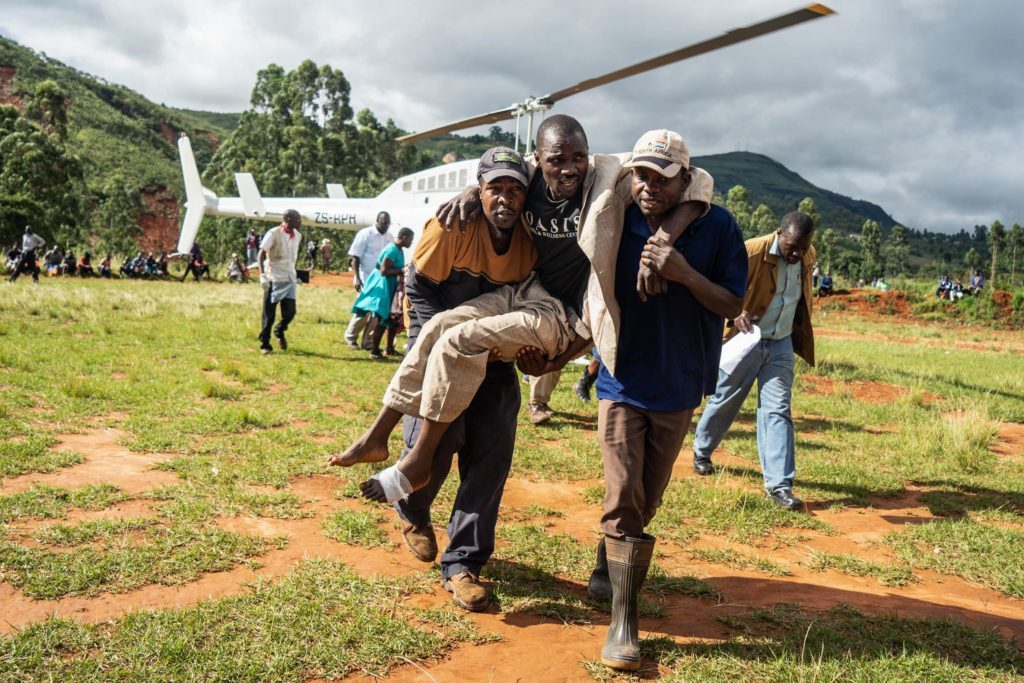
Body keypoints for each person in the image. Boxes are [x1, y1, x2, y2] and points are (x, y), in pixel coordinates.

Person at [334, 120, 712, 504]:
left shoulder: (609, 178)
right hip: (527, 292)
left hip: (564, 316)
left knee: (459, 341)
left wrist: (663, 239)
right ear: (538, 160)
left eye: (578, 157)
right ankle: (377, 436)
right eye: (557, 159)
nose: (569, 168)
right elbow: (495, 184)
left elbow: (697, 177)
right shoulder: (526, 181)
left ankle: (417, 463)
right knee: (438, 326)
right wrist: (470, 192)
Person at [332, 147, 538, 613]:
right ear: (479, 191)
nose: (505, 199)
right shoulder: (452, 225)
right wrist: (439, 347)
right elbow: (420, 286)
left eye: (515, 189)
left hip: (496, 357)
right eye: (495, 189)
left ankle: (463, 564)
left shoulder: (530, 231)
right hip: (440, 341)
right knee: (442, 439)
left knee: (490, 457)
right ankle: (412, 509)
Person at [588, 130, 746, 671]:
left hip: (678, 384)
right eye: (641, 174)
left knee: (645, 497)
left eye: (660, 176)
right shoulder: (619, 214)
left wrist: (681, 272)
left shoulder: (718, 226)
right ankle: (623, 624)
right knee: (622, 488)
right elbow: (558, 176)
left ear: (685, 177)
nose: (648, 186)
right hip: (621, 380)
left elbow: (732, 302)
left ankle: (608, 559)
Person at [692, 211, 816, 513]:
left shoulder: (807, 255)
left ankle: (779, 486)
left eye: (803, 247)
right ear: (779, 235)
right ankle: (701, 450)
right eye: (791, 247)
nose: (797, 253)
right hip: (747, 340)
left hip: (781, 343)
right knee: (726, 398)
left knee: (777, 409)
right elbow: (715, 284)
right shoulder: (750, 251)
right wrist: (734, 312)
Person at [350, 228, 415, 359]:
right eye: (410, 239)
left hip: (390, 285)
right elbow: (384, 271)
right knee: (381, 318)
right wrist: (402, 270)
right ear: (404, 237)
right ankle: (374, 351)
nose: (411, 243)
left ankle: (389, 348)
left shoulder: (398, 250)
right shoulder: (392, 250)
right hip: (382, 285)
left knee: (391, 318)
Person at [344, 212, 394, 350]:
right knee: (364, 310)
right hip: (365, 277)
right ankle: (351, 337)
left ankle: (368, 342)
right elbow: (355, 258)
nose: (385, 224)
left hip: (381, 279)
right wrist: (357, 279)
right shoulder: (366, 234)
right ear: (377, 220)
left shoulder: (390, 237)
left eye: (388, 222)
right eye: (383, 222)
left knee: (376, 312)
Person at [257, 210, 303, 354]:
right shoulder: (273, 233)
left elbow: (292, 257)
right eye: (297, 219)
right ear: (288, 219)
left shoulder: (298, 236)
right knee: (269, 314)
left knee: (290, 312)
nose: (300, 222)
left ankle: (279, 330)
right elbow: (261, 253)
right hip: (273, 278)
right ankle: (265, 344)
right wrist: (262, 275)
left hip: (289, 278)